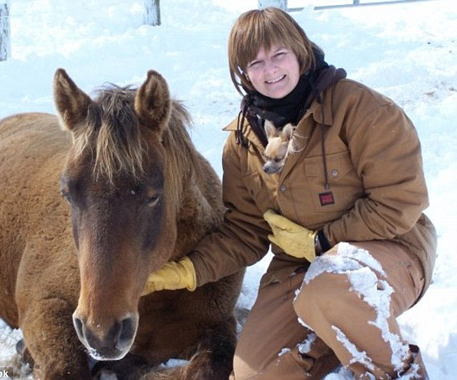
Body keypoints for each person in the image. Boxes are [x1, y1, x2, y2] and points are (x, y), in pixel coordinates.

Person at [144, 7, 437, 380]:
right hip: (299, 265)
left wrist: (323, 240)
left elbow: (400, 203)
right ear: (243, 73)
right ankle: (338, 332)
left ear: (299, 52)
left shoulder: (362, 110)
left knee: (329, 292)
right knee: (255, 373)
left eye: (278, 55)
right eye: (255, 63)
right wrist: (186, 271)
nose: (270, 71)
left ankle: (400, 371)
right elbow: (245, 231)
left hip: (390, 247)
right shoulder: (241, 143)